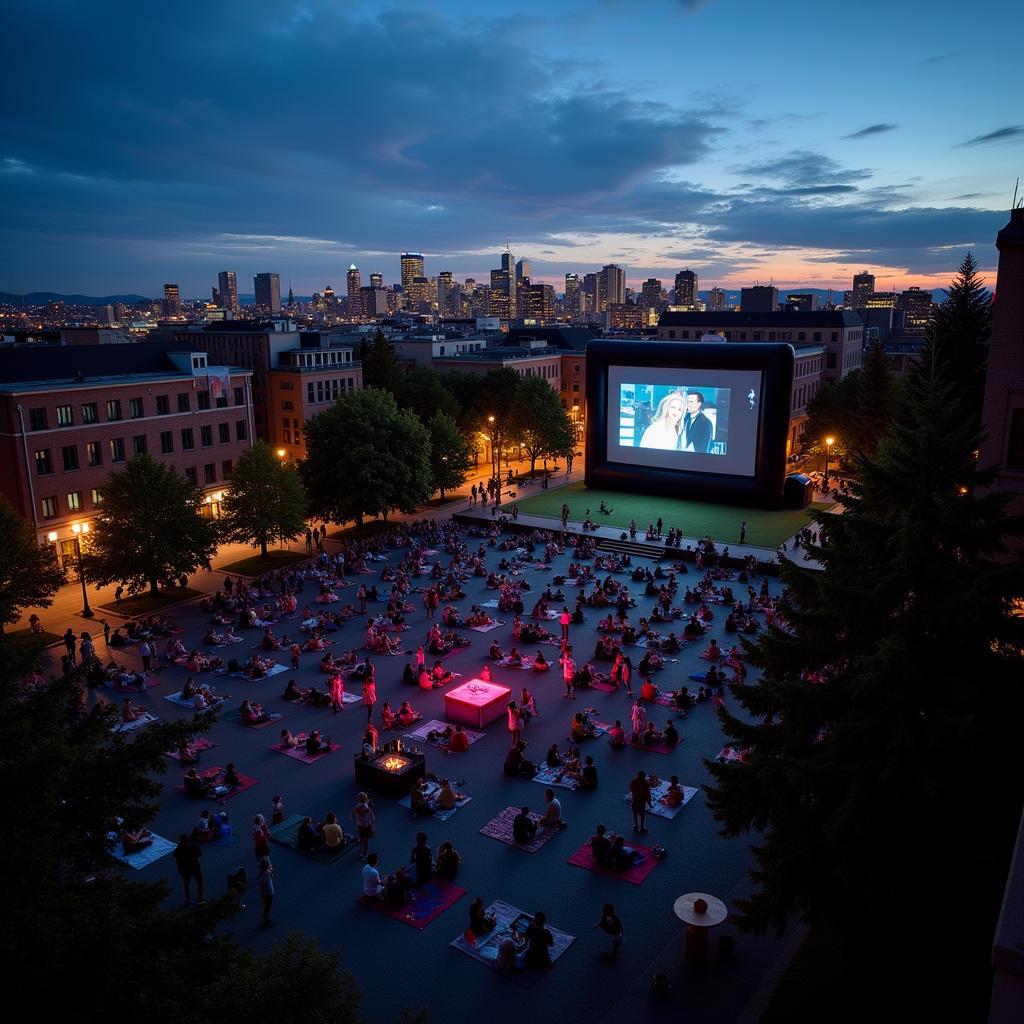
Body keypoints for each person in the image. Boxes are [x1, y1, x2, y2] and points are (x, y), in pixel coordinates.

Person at [172, 834, 204, 904]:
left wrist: (179, 869)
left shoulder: (178, 850)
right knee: (200, 882)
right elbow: (199, 854)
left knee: (186, 884)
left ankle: (188, 899)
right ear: (188, 840)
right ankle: (200, 898)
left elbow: (177, 860)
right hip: (195, 867)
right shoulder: (193, 847)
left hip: (185, 869)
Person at [351, 792, 375, 858]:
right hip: (364, 826)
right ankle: (364, 852)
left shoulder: (360, 807)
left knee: (363, 839)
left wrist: (352, 817)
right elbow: (373, 818)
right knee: (364, 840)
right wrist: (373, 826)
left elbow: (353, 813)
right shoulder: (364, 807)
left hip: (362, 826)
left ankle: (363, 851)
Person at [257, 857, 275, 927]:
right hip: (268, 893)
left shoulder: (264, 872)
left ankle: (266, 919)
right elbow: (260, 883)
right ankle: (265, 921)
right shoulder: (264, 874)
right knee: (267, 907)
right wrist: (268, 875)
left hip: (265, 892)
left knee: (267, 906)